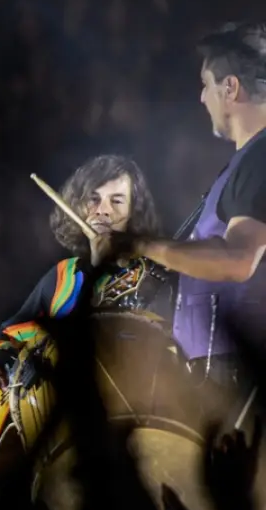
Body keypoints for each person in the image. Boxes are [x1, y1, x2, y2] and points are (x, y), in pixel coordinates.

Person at [96, 21, 266, 396]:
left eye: (206, 85)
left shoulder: (261, 158)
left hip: (235, 378)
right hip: (217, 369)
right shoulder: (246, 162)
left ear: (231, 88)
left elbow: (237, 259)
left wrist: (140, 244)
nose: (202, 98)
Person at [0, 154, 167, 407]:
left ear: (134, 213)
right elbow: (13, 330)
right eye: (94, 199)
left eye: (117, 201)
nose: (103, 210)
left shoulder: (155, 276)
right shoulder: (63, 276)